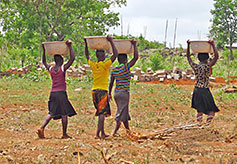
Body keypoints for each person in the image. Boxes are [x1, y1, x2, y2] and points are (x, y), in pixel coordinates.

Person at [37, 40, 77, 139]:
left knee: (51, 112)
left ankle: (42, 127)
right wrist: (70, 46)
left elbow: (44, 62)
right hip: (61, 93)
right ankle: (64, 134)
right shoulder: (62, 68)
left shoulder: (51, 69)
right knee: (64, 113)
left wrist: (44, 50)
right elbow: (72, 59)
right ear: (61, 61)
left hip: (53, 93)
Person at [84, 35, 118, 139]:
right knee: (102, 113)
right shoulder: (105, 65)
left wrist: (86, 43)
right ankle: (98, 134)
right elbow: (115, 54)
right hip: (103, 91)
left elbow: (87, 56)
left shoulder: (93, 65)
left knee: (100, 112)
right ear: (103, 56)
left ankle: (102, 132)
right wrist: (111, 41)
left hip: (94, 91)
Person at [109, 39, 139, 136]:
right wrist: (134, 45)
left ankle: (128, 131)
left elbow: (111, 83)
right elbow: (135, 58)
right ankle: (115, 132)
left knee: (123, 111)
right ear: (125, 60)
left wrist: (109, 93)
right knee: (121, 112)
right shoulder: (126, 67)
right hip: (124, 93)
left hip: (116, 93)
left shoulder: (115, 69)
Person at [186, 40, 219, 125]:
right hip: (205, 90)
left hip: (197, 90)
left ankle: (199, 125)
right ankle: (207, 124)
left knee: (199, 110)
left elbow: (188, 58)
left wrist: (188, 45)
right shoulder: (208, 66)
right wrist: (213, 45)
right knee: (212, 110)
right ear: (207, 58)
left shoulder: (195, 66)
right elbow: (216, 57)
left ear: (198, 58)